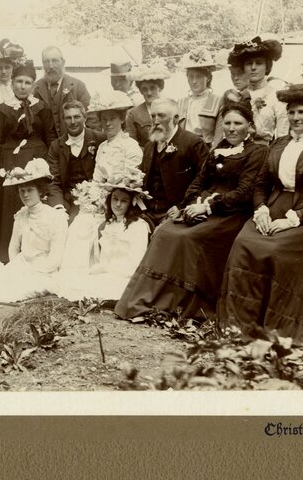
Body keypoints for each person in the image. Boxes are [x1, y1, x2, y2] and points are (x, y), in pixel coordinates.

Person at [218, 79, 303, 349]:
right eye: (291, 112)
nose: (295, 118)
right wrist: (261, 210)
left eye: (302, 112)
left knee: (277, 250)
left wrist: (292, 219)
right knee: (244, 243)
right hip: (275, 207)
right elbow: (261, 185)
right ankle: (241, 325)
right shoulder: (279, 144)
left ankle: (276, 325)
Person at [115, 100, 268, 320]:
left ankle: (183, 303)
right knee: (166, 232)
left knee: (188, 238)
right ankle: (151, 300)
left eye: (238, 123)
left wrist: (208, 206)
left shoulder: (257, 152)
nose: (232, 128)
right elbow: (199, 180)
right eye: (227, 123)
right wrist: (190, 203)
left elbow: (244, 192)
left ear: (250, 127)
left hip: (231, 214)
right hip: (202, 208)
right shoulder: (220, 149)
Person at [0, 159, 68, 304]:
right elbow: (13, 248)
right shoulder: (21, 215)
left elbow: (55, 258)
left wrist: (33, 271)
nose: (25, 195)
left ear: (40, 191)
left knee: (16, 290)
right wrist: (17, 267)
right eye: (22, 191)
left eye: (30, 190)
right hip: (21, 265)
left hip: (45, 271)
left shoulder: (55, 218)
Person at [58, 89, 142, 273]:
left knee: (97, 225)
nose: (108, 123)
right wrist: (92, 196)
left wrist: (110, 197)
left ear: (122, 119)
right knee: (80, 223)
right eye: (104, 119)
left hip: (123, 200)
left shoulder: (131, 146)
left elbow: (131, 179)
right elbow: (96, 179)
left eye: (112, 118)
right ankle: (75, 272)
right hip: (103, 200)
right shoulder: (102, 146)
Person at [0, 57, 58, 261]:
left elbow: (51, 137)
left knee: (35, 204)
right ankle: (8, 255)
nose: (23, 86)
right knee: (12, 206)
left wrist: (50, 166)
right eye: (19, 81)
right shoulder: (3, 108)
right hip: (11, 161)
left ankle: (36, 254)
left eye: (28, 82)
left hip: (37, 160)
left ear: (33, 85)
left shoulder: (41, 108)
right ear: (12, 82)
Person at [50, 167, 151, 303]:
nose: (118, 204)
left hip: (126, 276)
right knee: (75, 283)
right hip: (107, 274)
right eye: (115, 199)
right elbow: (104, 257)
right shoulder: (108, 225)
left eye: (124, 201)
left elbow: (135, 262)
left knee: (101, 290)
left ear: (132, 203)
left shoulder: (139, 226)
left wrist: (107, 268)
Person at [140, 97, 207, 227]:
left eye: (161, 116)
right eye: (153, 116)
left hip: (176, 211)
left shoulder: (193, 143)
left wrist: (182, 206)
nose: (155, 121)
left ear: (175, 119)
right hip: (148, 211)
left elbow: (204, 180)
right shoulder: (149, 146)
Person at [45, 101, 104, 219]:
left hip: (94, 199)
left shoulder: (100, 139)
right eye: (68, 118)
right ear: (63, 120)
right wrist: (58, 207)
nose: (73, 122)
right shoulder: (56, 146)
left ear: (85, 118)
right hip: (66, 200)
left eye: (76, 117)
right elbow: (53, 181)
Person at [227, 35, 288, 142]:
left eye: (259, 63)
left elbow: (283, 135)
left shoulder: (276, 96)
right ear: (243, 67)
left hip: (263, 152)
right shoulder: (237, 96)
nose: (253, 67)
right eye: (249, 63)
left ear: (267, 67)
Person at [33, 45, 93, 137]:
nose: (51, 65)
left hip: (74, 142)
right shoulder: (36, 88)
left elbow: (91, 118)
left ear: (63, 62)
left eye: (55, 60)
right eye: (46, 61)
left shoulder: (77, 86)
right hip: (46, 145)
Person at [177, 48, 223, 145]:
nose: (194, 81)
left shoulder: (217, 101)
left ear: (208, 78)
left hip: (206, 149)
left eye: (199, 76)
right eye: (191, 76)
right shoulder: (181, 102)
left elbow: (219, 135)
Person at [124, 62, 171, 146]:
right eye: (144, 89)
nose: (149, 93)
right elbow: (132, 144)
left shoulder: (171, 108)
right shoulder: (133, 115)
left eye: (152, 88)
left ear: (160, 87)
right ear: (141, 91)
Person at [0, 38, 24, 105]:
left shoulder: (21, 88)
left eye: (7, 67)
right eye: (0, 68)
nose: (3, 71)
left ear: (13, 68)